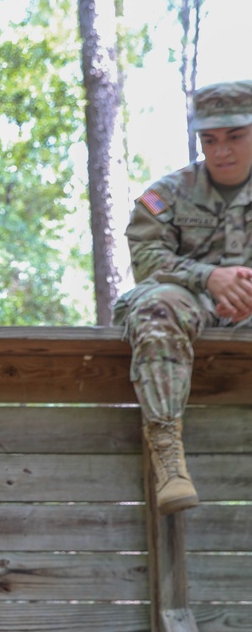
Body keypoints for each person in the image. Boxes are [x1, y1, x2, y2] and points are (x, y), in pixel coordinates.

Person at [115, 80, 252, 516]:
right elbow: (146, 254)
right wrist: (209, 277)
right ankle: (168, 458)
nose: (222, 151)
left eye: (235, 137)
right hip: (191, 304)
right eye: (209, 140)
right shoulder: (169, 193)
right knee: (157, 304)